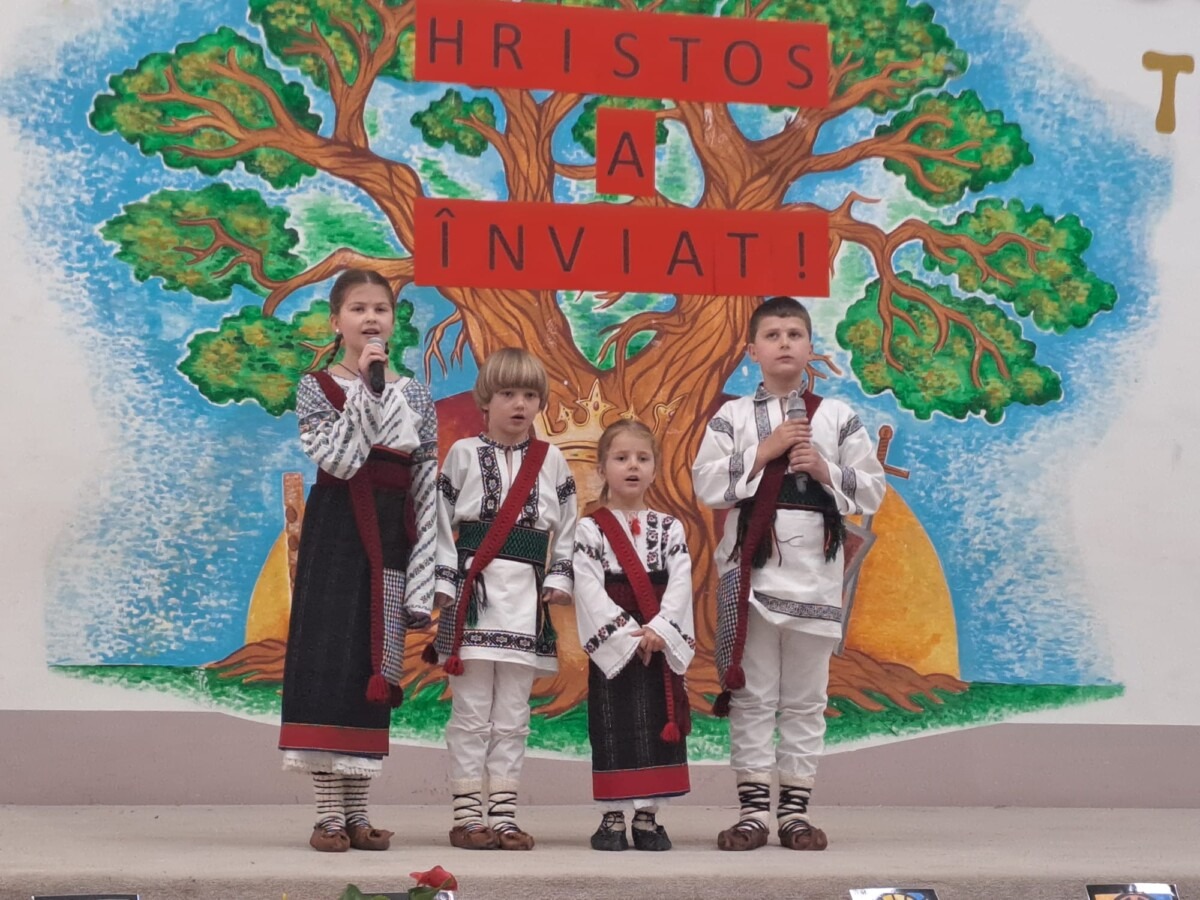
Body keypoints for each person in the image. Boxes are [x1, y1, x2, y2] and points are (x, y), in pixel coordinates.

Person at [691, 295, 886, 852]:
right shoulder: (732, 417)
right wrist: (765, 451)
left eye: (794, 334)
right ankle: (753, 813)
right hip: (751, 578)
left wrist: (823, 469)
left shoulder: (838, 416)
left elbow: (873, 489)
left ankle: (795, 813)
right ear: (752, 350)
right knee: (752, 696)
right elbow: (706, 484)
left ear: (810, 347)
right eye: (772, 335)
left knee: (804, 699)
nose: (784, 343)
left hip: (817, 579)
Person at [278, 268, 439, 852]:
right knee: (330, 666)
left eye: (381, 309)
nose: (371, 318)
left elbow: (425, 483)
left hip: (391, 538)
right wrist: (369, 394)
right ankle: (327, 815)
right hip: (337, 536)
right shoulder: (316, 386)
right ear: (336, 321)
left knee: (377, 666)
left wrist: (424, 576)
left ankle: (358, 812)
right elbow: (343, 462)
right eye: (358, 309)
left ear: (393, 321)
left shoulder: (416, 394)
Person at [425, 347, 578, 851]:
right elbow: (441, 523)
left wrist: (560, 576)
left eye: (530, 395)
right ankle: (468, 817)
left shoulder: (552, 460)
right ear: (485, 400)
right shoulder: (463, 454)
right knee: (471, 712)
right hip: (475, 596)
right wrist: (445, 584)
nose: (519, 404)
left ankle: (505, 816)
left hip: (527, 603)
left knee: (513, 714)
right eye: (508, 393)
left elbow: (569, 526)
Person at [573, 419, 695, 852]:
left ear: (655, 469)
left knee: (657, 725)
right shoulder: (589, 529)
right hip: (617, 645)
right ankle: (612, 815)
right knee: (613, 726)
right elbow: (588, 587)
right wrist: (627, 634)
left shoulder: (670, 527)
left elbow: (680, 582)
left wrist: (660, 630)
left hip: (658, 639)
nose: (632, 466)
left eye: (643, 458)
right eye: (621, 457)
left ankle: (648, 817)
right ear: (602, 468)